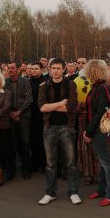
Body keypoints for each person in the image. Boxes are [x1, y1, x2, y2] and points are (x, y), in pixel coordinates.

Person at [38, 58, 81, 205]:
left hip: (66, 127)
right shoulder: (44, 86)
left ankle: (73, 191)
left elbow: (70, 107)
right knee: (50, 164)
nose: (55, 70)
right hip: (49, 127)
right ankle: (50, 193)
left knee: (70, 162)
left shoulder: (71, 84)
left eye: (58, 68)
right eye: (53, 68)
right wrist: (61, 103)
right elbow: (42, 107)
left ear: (63, 69)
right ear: (49, 69)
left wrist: (56, 106)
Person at [84, 60, 110, 207]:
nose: (86, 74)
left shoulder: (101, 88)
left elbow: (98, 113)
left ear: (93, 71)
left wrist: (89, 132)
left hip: (99, 130)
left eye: (88, 71)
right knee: (103, 162)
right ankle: (102, 189)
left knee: (106, 162)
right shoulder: (96, 87)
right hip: (96, 129)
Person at [5, 62, 32, 180]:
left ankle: (26, 170)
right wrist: (11, 113)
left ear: (18, 69)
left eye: (13, 68)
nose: (11, 70)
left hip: (23, 116)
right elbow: (3, 99)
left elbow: (29, 98)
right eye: (9, 68)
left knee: (25, 143)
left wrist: (19, 112)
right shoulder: (4, 83)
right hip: (9, 117)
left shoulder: (25, 81)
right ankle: (11, 170)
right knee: (11, 144)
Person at [74, 73, 99, 185]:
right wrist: (78, 107)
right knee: (85, 147)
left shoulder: (98, 86)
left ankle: (94, 173)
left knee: (93, 147)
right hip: (83, 121)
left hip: (93, 121)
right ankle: (88, 173)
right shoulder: (76, 81)